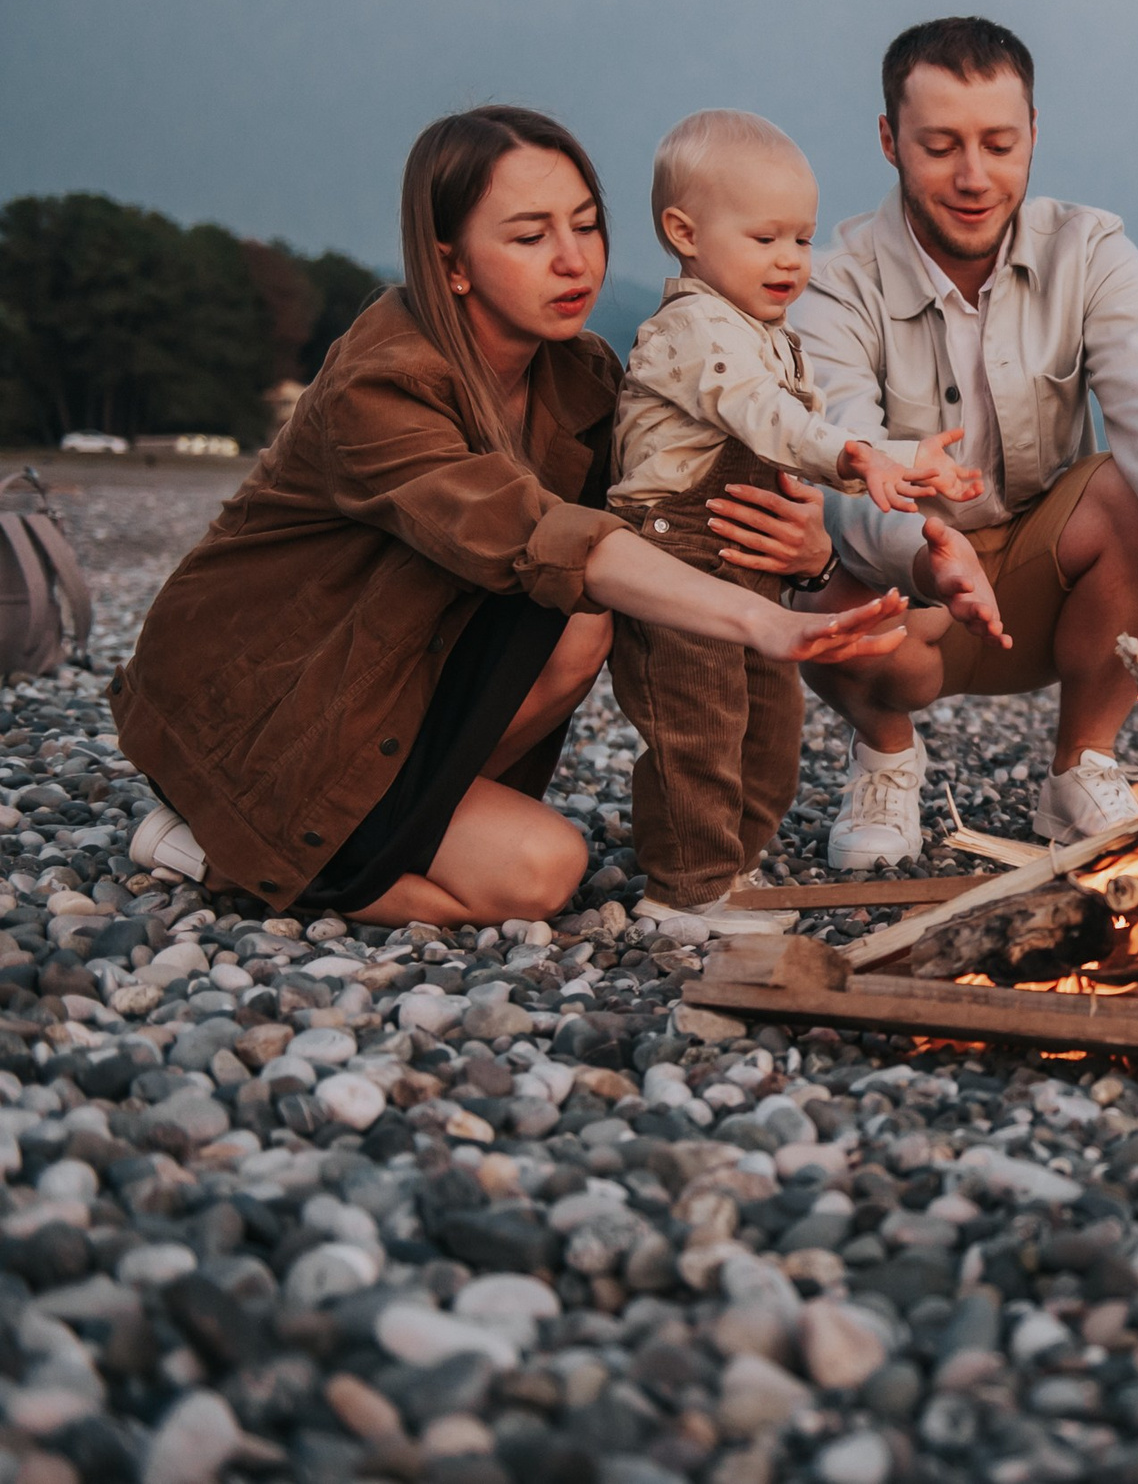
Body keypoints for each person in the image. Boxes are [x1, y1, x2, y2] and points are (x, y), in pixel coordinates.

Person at [115, 106, 902, 927]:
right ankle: (229, 844)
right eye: (529, 238)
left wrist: (810, 558)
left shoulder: (583, 375)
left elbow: (673, 509)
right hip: (267, 712)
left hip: (391, 689)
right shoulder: (382, 384)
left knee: (565, 746)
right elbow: (539, 535)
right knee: (542, 863)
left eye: (588, 225)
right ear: (451, 264)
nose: (574, 260)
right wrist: (757, 622)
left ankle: (336, 836)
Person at [792, 17, 1138, 868]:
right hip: (910, 580)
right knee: (809, 556)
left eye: (999, 143)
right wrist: (927, 552)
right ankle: (886, 756)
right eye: (940, 145)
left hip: (1041, 581)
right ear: (891, 140)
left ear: (1033, 133)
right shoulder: (830, 283)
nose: (973, 177)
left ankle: (1082, 768)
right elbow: (841, 455)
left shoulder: (1091, 248)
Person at [606, 109, 1005, 929]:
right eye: (764, 239)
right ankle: (683, 888)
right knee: (697, 723)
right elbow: (767, 420)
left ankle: (736, 863)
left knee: (770, 725)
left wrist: (896, 457)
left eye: (802, 239)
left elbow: (815, 434)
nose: (791, 260)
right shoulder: (690, 331)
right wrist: (860, 460)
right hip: (676, 555)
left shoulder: (772, 337)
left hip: (746, 566)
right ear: (683, 231)